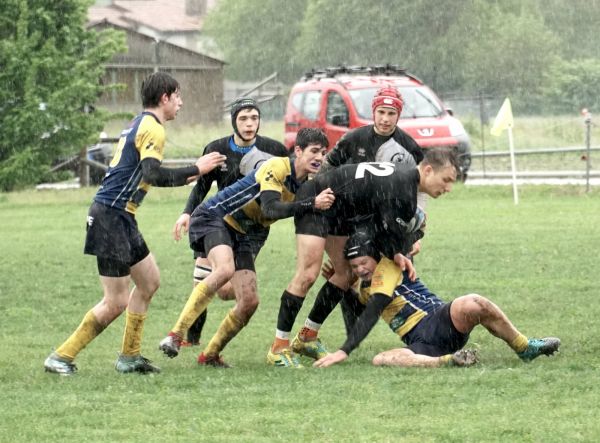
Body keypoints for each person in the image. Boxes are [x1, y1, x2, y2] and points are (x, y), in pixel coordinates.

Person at [43, 72, 227, 375]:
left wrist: (193, 172)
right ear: (165, 97)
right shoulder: (153, 128)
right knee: (115, 301)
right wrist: (196, 167)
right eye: (178, 96)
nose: (181, 103)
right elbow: (152, 174)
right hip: (110, 217)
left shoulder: (141, 122)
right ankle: (62, 356)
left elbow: (151, 172)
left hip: (120, 216)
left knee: (149, 281)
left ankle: (129, 356)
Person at [158, 128, 334, 367]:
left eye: (323, 153)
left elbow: (277, 217)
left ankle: (209, 356)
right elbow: (271, 208)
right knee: (224, 270)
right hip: (215, 216)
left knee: (249, 301)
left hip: (242, 233)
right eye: (314, 151)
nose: (319, 157)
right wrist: (312, 203)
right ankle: (175, 336)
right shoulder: (277, 167)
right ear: (298, 151)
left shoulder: (306, 184)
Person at [267, 148, 456, 368]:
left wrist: (399, 250)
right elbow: (388, 232)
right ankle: (278, 348)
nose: (448, 188)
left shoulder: (405, 182)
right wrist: (402, 247)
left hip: (340, 212)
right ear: (428, 170)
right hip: (318, 198)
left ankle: (308, 337)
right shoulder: (402, 190)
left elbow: (387, 231)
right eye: (446, 180)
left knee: (345, 274)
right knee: (308, 274)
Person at [313, 231, 561, 368]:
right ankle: (448, 361)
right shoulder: (365, 287)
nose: (360, 269)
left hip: (441, 320)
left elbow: (407, 236)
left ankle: (524, 347)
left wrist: (411, 242)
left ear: (375, 257)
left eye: (363, 263)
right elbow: (354, 322)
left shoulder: (393, 264)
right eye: (354, 266)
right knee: (381, 359)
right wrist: (344, 287)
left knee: (473, 302)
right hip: (421, 343)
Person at [171, 97, 288, 347]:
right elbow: (202, 185)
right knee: (202, 280)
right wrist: (186, 213)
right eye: (243, 118)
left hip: (253, 228)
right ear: (234, 121)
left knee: (224, 290)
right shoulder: (217, 149)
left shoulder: (275, 150)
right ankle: (190, 339)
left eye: (254, 118)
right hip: (218, 221)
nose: (249, 124)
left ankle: (246, 288)